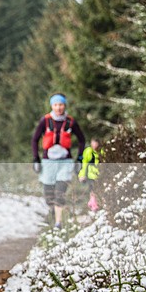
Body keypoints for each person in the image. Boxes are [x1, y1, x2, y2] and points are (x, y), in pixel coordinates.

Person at [31, 93, 86, 229]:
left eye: (61, 104)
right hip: (48, 162)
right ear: (52, 106)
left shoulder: (71, 122)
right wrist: (36, 159)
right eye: (56, 105)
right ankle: (52, 213)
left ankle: (58, 223)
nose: (58, 107)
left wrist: (79, 158)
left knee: (60, 192)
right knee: (48, 194)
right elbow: (35, 139)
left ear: (64, 105)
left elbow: (81, 139)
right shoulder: (45, 121)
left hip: (65, 162)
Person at [79, 138, 102, 211]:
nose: (94, 145)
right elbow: (84, 164)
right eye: (93, 143)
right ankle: (94, 205)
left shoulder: (102, 151)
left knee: (99, 190)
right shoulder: (88, 151)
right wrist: (82, 175)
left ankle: (95, 203)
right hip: (91, 175)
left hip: (100, 175)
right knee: (92, 190)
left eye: (95, 143)